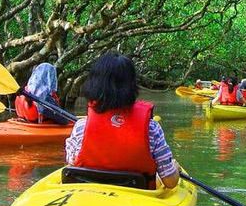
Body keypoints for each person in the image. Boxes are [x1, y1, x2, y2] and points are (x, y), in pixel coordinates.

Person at [65, 53, 179, 189]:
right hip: (137, 200)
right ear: (132, 85)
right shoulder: (152, 128)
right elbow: (170, 182)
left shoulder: (80, 127)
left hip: (90, 197)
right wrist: (176, 169)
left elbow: (72, 166)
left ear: (94, 84)